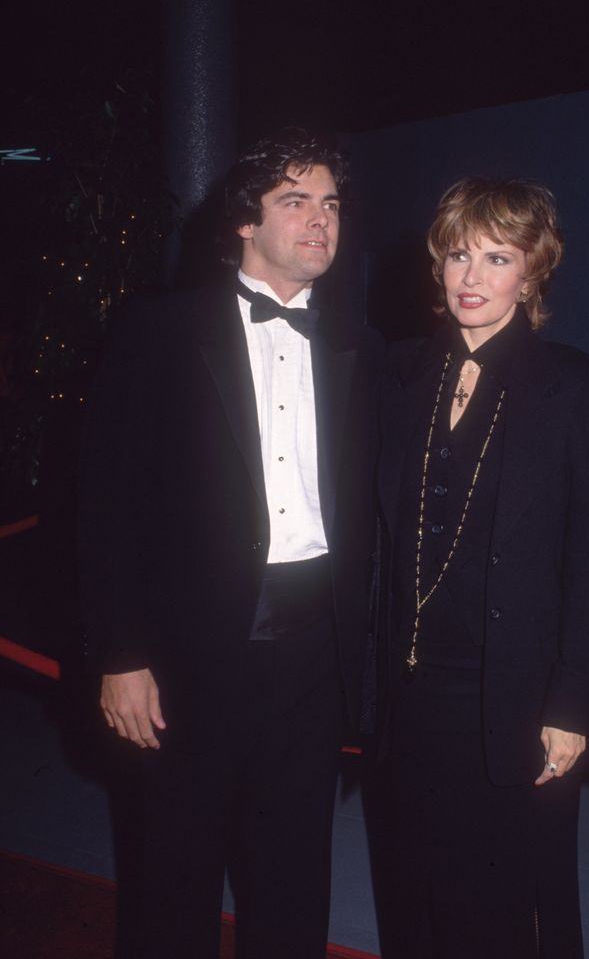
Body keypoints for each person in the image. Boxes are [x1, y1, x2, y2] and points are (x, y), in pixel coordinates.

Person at [78, 128, 383, 959]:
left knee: (292, 880)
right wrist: (119, 652)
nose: (321, 221)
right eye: (296, 201)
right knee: (171, 877)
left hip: (314, 658)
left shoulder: (358, 346)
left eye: (331, 204)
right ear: (244, 221)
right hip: (187, 655)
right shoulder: (159, 329)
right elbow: (104, 502)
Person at [371, 177, 589, 958]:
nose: (471, 277)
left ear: (532, 273)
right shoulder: (400, 373)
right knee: (413, 898)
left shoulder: (572, 385)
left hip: (513, 693)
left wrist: (573, 703)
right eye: (458, 255)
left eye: (496, 257)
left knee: (502, 912)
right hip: (410, 694)